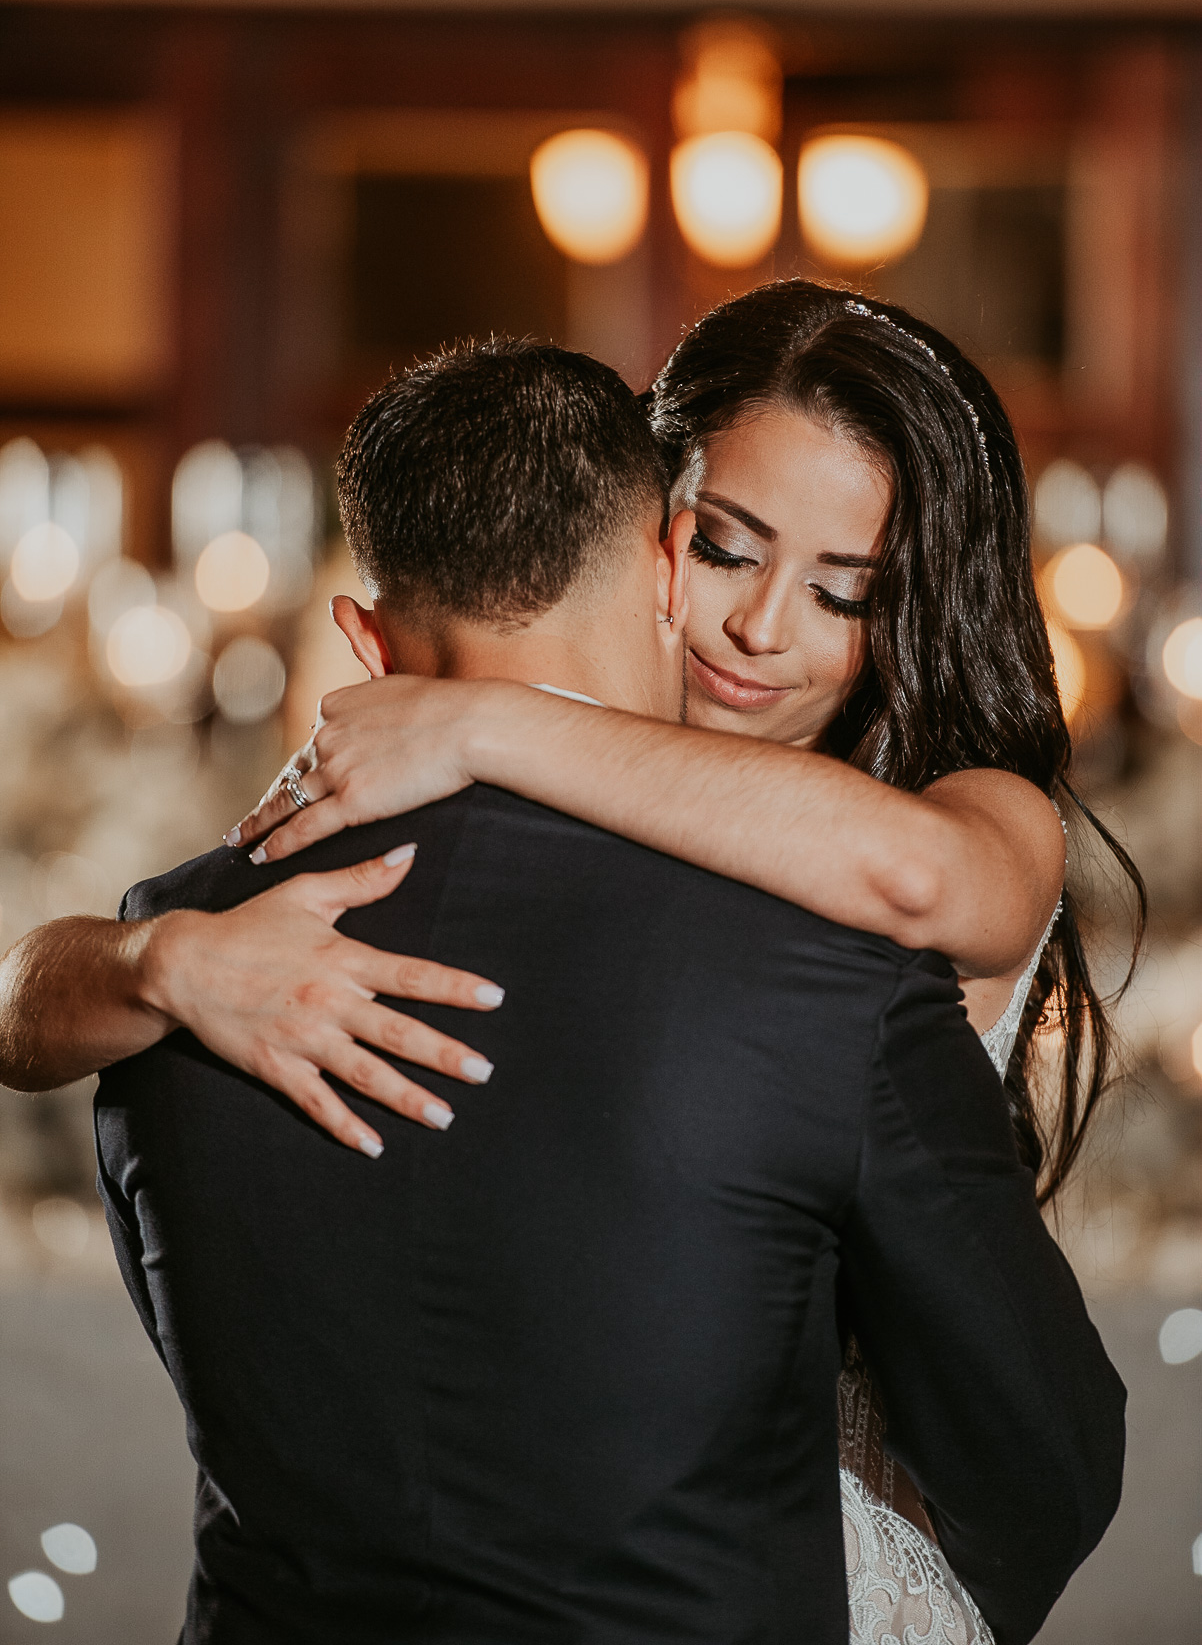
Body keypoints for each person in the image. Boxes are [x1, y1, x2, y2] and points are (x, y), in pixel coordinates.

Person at [87, 340, 1118, 1643]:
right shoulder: (210, 942)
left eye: (845, 589)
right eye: (729, 551)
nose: (759, 627)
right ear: (647, 536)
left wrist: (481, 714)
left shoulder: (946, 826)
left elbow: (929, 883)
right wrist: (138, 957)